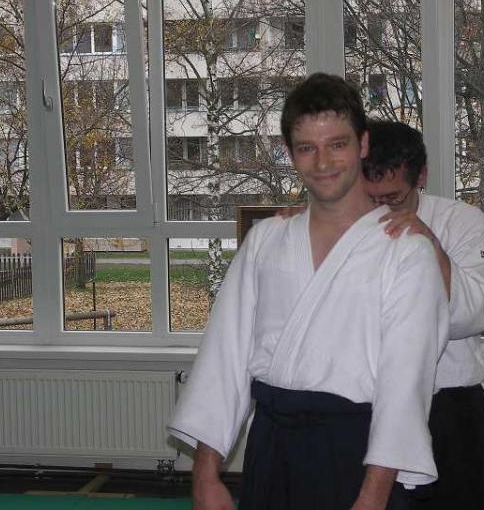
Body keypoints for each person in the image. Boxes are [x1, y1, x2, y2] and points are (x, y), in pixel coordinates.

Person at [167, 74, 450, 510]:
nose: (322, 163)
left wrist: (373, 497)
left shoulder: (407, 253)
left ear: (363, 144)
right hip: (272, 447)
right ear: (289, 152)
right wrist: (205, 473)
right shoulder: (266, 240)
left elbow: (404, 385)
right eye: (306, 148)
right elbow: (226, 356)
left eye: (337, 144)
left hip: (358, 454)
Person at [362, 119, 484, 509]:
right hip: (370, 399)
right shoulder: (349, 226)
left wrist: (428, 241)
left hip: (452, 404)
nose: (381, 209)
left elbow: (477, 314)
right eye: (370, 198)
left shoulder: (461, 221)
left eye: (393, 198)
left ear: (421, 176)